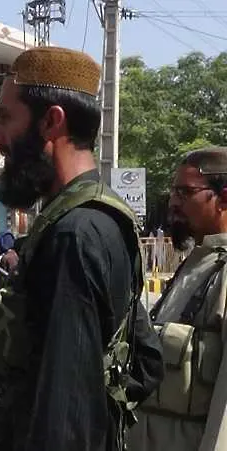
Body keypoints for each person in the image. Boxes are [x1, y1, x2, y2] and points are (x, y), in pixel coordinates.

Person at [0, 46, 163, 450]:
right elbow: (146, 364)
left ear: (51, 122)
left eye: (4, 117)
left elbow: (66, 420)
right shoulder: (104, 217)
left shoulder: (75, 235)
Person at [129, 147, 227, 451]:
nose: (172, 202)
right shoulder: (197, 263)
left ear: (223, 198)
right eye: (174, 192)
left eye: (185, 192)